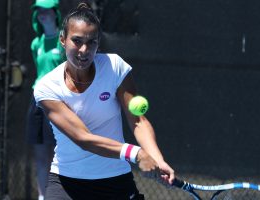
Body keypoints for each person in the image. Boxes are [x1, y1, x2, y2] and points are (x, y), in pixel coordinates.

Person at [33, 1, 175, 199]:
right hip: (67, 185)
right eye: (77, 41)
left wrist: (157, 160)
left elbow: (138, 120)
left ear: (98, 43)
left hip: (116, 181)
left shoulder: (115, 67)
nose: (84, 49)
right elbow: (83, 138)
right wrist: (137, 154)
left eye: (92, 42)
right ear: (62, 39)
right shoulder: (47, 87)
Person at [26, 0, 65, 200]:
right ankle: (43, 196)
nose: (42, 14)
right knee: (40, 153)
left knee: (58, 155)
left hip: (58, 103)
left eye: (46, 9)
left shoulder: (64, 41)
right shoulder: (37, 43)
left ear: (55, 12)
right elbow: (40, 70)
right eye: (39, 10)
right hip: (36, 102)